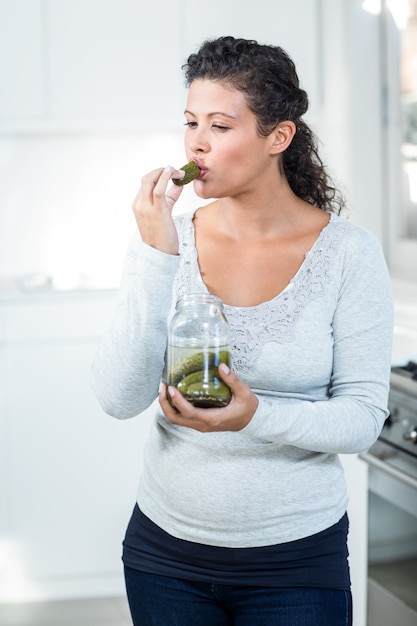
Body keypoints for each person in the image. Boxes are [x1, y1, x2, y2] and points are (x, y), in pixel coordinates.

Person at [91, 36, 393, 626]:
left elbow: (360, 420)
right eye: (190, 122)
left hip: (297, 564)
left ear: (277, 136)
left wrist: (254, 416)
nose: (197, 143)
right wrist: (158, 253)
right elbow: (117, 397)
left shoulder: (349, 255)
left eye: (221, 126)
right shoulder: (165, 239)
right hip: (163, 555)